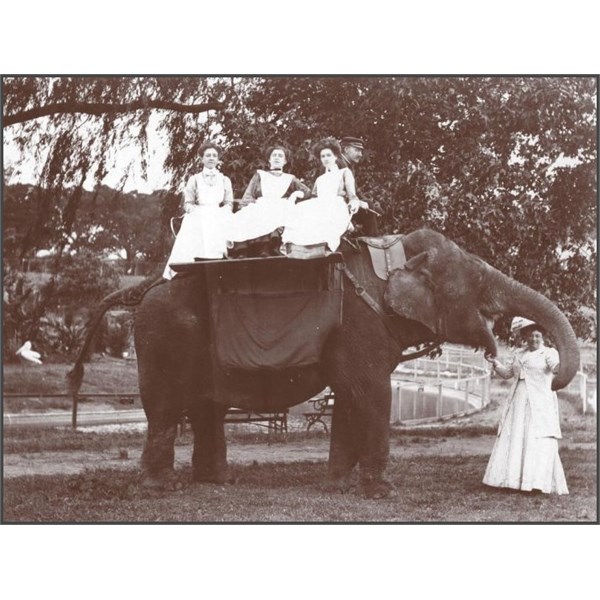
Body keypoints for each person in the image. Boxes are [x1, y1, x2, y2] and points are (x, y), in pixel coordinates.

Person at [483, 317, 569, 495]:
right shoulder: (519, 353)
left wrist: (563, 366)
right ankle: (511, 480)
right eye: (530, 336)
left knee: (536, 437)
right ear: (525, 338)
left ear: (542, 337)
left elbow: (556, 368)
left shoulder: (549, 353)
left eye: (537, 336)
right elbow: (508, 374)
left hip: (539, 402)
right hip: (518, 402)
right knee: (516, 436)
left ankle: (536, 482)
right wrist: (495, 363)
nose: (533, 339)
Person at [163, 142, 233, 279]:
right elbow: (188, 203)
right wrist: (193, 210)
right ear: (202, 159)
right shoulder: (194, 179)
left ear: (218, 159)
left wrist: (224, 212)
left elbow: (228, 202)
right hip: (200, 213)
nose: (211, 158)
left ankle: (216, 265)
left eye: (214, 155)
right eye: (208, 155)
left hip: (217, 213)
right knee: (195, 222)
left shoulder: (224, 180)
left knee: (220, 222)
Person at [281, 138, 362, 253]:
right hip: (321, 205)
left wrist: (354, 202)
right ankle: (301, 248)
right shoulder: (320, 179)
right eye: (322, 156)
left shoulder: (344, 172)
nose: (326, 159)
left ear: (335, 157)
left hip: (337, 206)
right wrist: (298, 195)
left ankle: (328, 243)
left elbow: (352, 194)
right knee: (300, 209)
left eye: (328, 155)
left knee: (327, 212)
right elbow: (314, 197)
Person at [228, 145, 310, 256]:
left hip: (280, 206)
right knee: (246, 215)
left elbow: (307, 192)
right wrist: (245, 207)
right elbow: (249, 195)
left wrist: (296, 194)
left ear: (285, 161)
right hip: (262, 204)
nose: (277, 158)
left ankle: (271, 246)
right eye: (274, 155)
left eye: (280, 156)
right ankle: (248, 249)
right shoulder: (260, 175)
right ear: (269, 159)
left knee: (274, 212)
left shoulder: (290, 178)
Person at [336, 136, 380, 236]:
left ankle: (363, 241)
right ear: (346, 149)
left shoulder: (349, 165)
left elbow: (355, 191)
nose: (360, 155)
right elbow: (334, 191)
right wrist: (359, 202)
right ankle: (373, 241)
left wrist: (365, 201)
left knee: (374, 208)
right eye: (357, 150)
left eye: (361, 151)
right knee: (368, 208)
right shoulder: (337, 164)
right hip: (336, 205)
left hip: (347, 204)